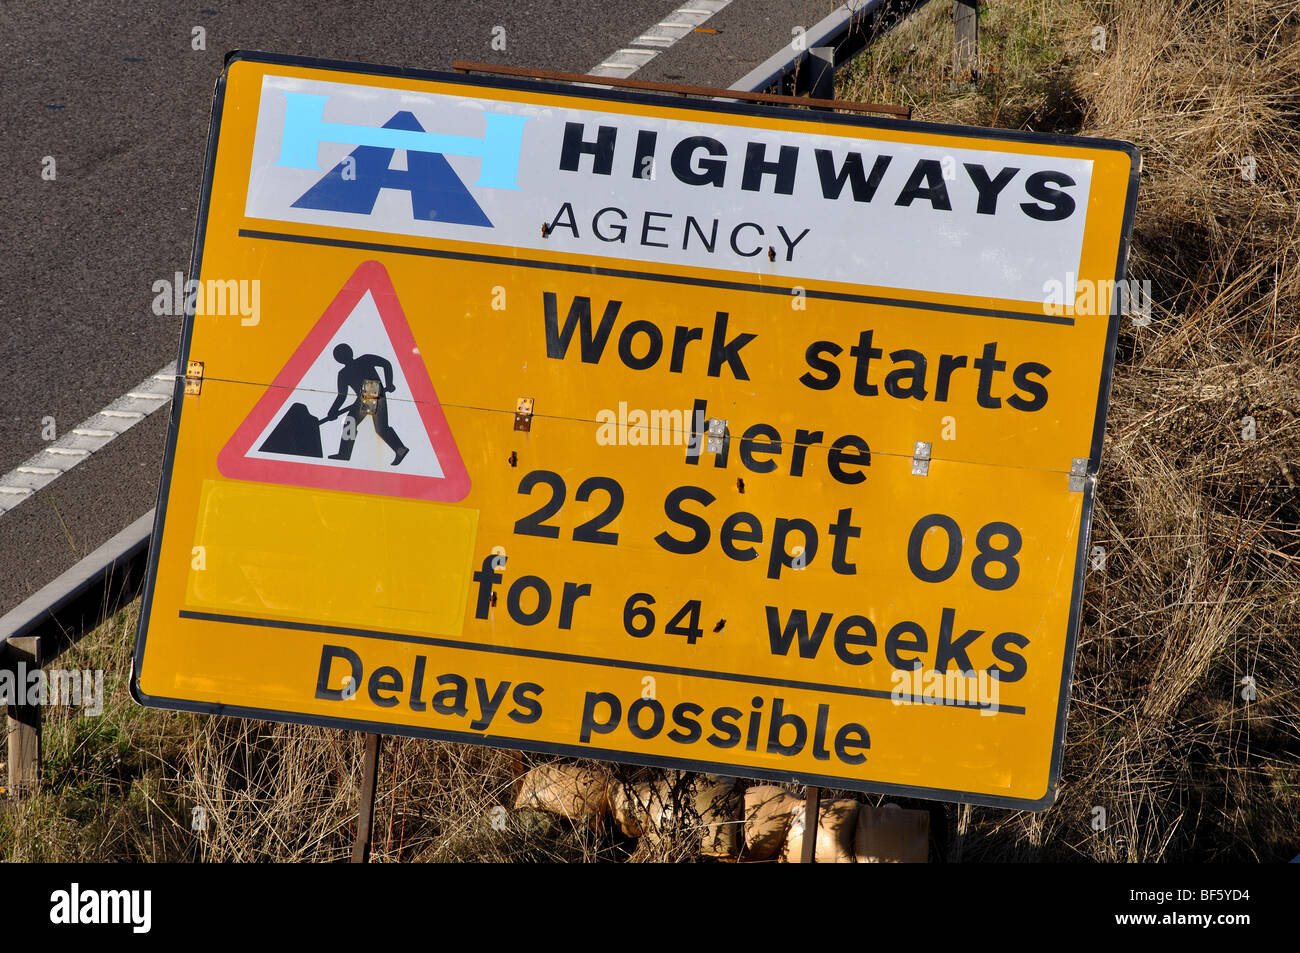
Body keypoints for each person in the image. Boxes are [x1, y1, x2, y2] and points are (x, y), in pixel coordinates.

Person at [321, 343, 409, 466]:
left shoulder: (363, 360)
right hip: (371, 393)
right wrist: (333, 411)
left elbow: (386, 364)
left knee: (351, 423)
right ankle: (400, 449)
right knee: (380, 428)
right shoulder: (345, 372)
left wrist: (389, 383)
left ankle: (344, 453)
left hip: (371, 390)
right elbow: (342, 395)